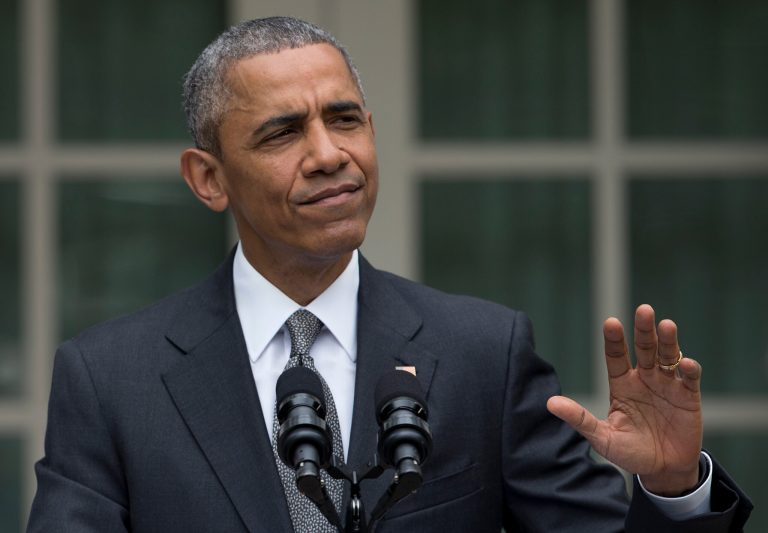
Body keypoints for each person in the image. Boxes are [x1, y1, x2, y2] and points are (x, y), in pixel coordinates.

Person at [28, 16, 752, 532]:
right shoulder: (111, 381)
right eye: (283, 132)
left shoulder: (481, 352)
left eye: (344, 120)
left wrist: (670, 487)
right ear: (208, 178)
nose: (327, 154)